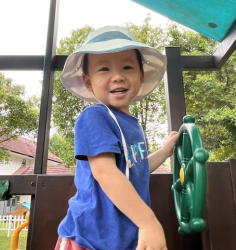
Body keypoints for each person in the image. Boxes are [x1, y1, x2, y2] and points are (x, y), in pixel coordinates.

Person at [55, 26, 178, 250]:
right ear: (88, 81)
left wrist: (165, 151)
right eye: (104, 69)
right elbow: (105, 171)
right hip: (89, 237)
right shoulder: (95, 117)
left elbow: (135, 168)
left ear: (140, 77)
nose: (118, 76)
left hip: (123, 238)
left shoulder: (132, 125)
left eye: (127, 67)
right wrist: (148, 222)